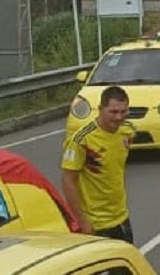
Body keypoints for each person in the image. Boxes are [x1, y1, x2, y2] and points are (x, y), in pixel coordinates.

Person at [61, 85, 137, 242]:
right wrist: (82, 221)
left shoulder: (127, 131)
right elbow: (68, 181)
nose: (118, 117)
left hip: (121, 217)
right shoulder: (82, 140)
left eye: (123, 112)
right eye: (113, 112)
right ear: (100, 109)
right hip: (96, 224)